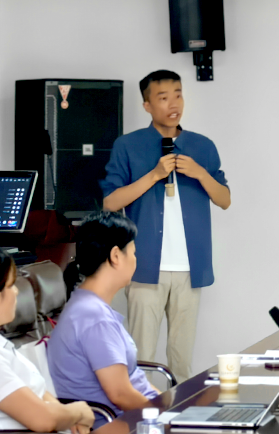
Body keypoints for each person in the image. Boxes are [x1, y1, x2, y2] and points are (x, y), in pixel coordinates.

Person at [100, 69, 230, 382]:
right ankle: (139, 412)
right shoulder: (128, 145)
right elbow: (110, 203)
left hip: (190, 268)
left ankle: (178, 411)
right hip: (145, 266)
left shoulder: (202, 146)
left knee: (182, 362)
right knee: (141, 358)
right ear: (147, 105)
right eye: (163, 97)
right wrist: (154, 175)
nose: (174, 104)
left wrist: (200, 173)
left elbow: (224, 199)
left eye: (178, 95)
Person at [0, 246, 94, 434]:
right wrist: (80, 412)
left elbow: (41, 396)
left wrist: (66, 416)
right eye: (11, 285)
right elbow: (43, 419)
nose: (16, 292)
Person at [47, 212, 159, 429]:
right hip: (120, 424)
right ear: (116, 255)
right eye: (133, 253)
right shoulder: (94, 317)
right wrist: (168, 416)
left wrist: (168, 405)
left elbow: (133, 380)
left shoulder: (89, 306)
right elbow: (121, 395)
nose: (136, 260)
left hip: (138, 418)